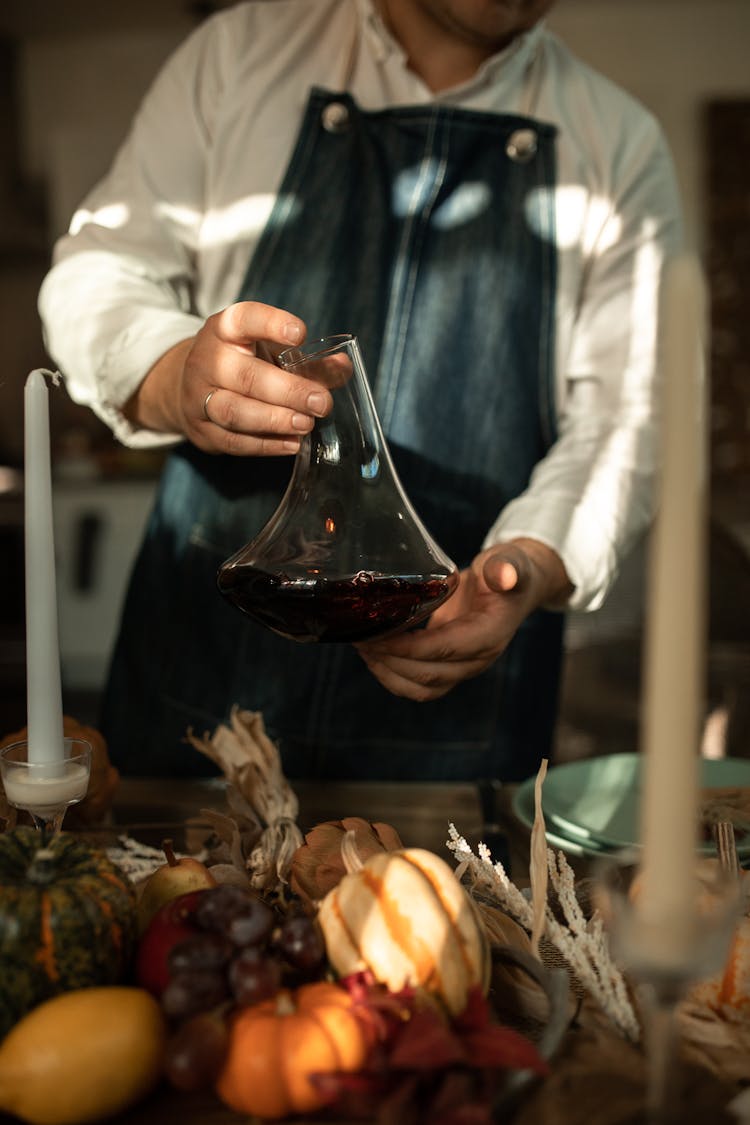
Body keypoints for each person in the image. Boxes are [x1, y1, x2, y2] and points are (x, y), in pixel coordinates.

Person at [38, 0, 683, 783]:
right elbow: (97, 274)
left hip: (456, 712)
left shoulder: (617, 142)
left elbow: (632, 414)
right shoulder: (239, 54)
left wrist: (535, 561)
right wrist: (176, 375)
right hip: (204, 683)